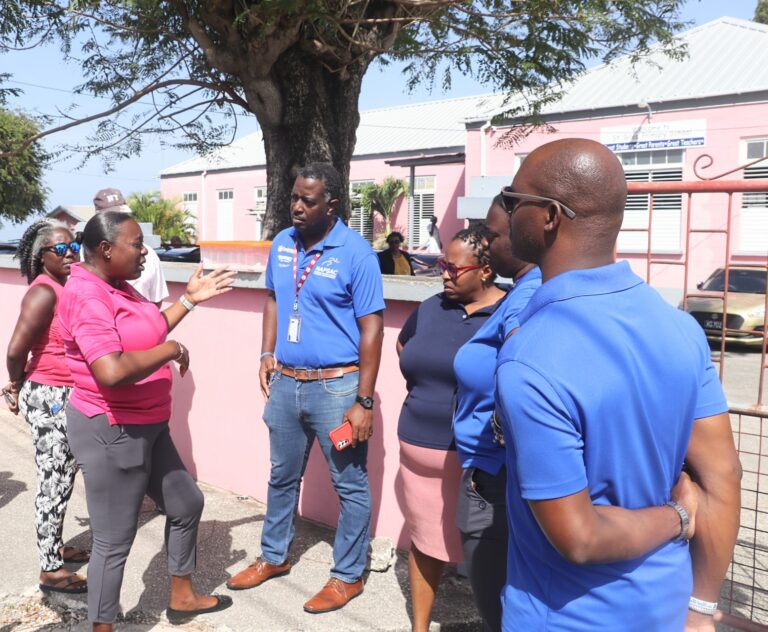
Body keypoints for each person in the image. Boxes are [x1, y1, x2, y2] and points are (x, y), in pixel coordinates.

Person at [496, 138, 742, 631]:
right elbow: (725, 475)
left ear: (548, 216)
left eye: (512, 198)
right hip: (667, 606)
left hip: (567, 617)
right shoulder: (677, 326)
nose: (504, 210)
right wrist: (701, 609)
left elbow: (580, 537)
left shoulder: (530, 359)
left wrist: (676, 514)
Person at [58, 211, 235, 630]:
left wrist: (188, 301)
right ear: (105, 249)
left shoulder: (118, 286)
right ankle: (101, 626)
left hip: (149, 425)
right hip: (112, 428)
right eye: (136, 244)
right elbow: (112, 371)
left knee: (186, 502)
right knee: (113, 541)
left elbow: (148, 330)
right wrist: (171, 350)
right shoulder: (88, 295)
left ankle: (182, 596)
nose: (144, 252)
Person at [226, 163, 385, 614]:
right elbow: (274, 298)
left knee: (349, 485)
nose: (296, 206)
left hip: (337, 390)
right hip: (286, 385)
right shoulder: (282, 244)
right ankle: (274, 556)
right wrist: (265, 353)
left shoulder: (356, 254)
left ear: (331, 204)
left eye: (307, 200)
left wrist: (364, 400)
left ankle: (348, 575)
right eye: (294, 197)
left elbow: (373, 330)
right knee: (281, 476)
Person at [396, 226, 506, 632]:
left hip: (475, 462)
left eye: (454, 268)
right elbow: (405, 348)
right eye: (442, 264)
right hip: (416, 451)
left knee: (487, 555)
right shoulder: (430, 308)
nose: (443, 273)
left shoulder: (509, 313)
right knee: (424, 542)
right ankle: (420, 627)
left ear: (486, 270)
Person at [452, 197, 541, 632]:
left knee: (497, 597)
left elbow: (523, 374)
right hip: (489, 469)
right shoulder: (521, 291)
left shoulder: (529, 296)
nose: (485, 242)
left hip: (497, 476)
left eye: (493, 231)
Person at [3, 220, 90, 595]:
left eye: (75, 247)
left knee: (65, 476)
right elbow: (15, 349)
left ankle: (53, 547)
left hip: (65, 390)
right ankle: (49, 569)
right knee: (54, 479)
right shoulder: (43, 293)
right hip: (51, 393)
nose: (71, 255)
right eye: (62, 249)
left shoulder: (64, 285)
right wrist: (17, 382)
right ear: (41, 257)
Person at [93, 188, 169, 305]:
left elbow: (156, 302)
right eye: (111, 218)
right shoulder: (84, 256)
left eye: (122, 216)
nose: (119, 223)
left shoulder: (148, 254)